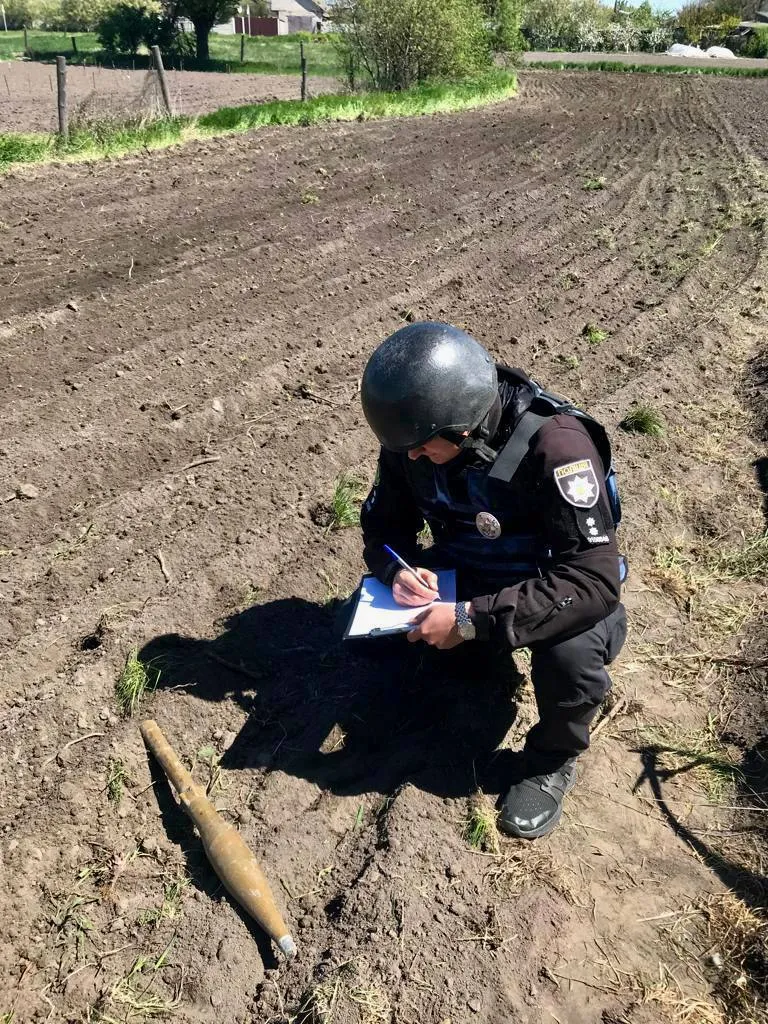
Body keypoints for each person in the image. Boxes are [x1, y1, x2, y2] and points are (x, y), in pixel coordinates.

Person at [356, 321, 627, 839]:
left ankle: (552, 759)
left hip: (554, 586)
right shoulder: (415, 435)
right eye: (405, 447)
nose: (411, 457)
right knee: (383, 639)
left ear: (465, 428)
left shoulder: (559, 447)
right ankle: (477, 656)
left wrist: (468, 620)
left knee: (570, 661)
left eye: (422, 447)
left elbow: (593, 580)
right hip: (472, 568)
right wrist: (398, 570)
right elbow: (384, 529)